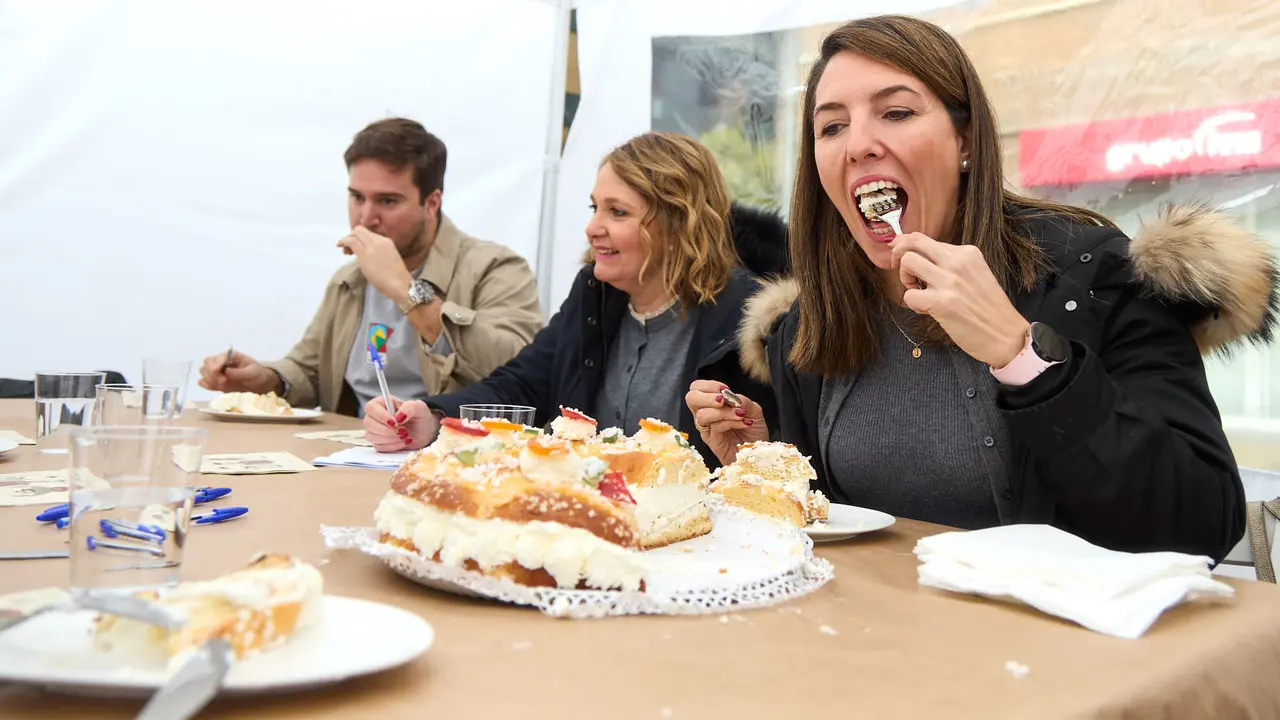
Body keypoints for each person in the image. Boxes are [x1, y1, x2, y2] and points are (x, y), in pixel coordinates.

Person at [686, 15, 1279, 562]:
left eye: (896, 113)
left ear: (965, 142)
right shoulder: (808, 324)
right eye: (831, 125)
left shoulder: (1090, 275)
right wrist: (766, 467)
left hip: (1061, 660)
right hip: (872, 657)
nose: (858, 143)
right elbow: (847, 528)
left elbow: (1205, 519)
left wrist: (1025, 358)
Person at [362, 131, 787, 465]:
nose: (592, 228)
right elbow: (522, 383)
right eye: (594, 208)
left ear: (679, 225)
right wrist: (433, 417)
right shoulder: (594, 294)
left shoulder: (748, 317)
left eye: (617, 212)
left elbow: (773, 449)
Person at [197, 118, 543, 415]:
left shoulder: (495, 268)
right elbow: (309, 369)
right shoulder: (350, 280)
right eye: (357, 197)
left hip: (446, 456)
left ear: (432, 202)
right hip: (356, 455)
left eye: (388, 201)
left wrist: (403, 288)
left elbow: (520, 372)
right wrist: (265, 378)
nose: (366, 218)